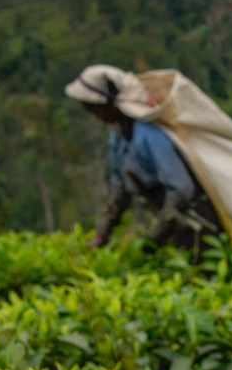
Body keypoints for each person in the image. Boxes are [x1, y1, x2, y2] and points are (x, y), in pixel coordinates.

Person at [66, 66, 218, 251]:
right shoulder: (118, 139)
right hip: (171, 223)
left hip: (197, 223)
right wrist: (103, 231)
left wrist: (154, 237)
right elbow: (120, 190)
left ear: (111, 104)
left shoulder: (149, 134)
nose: (96, 116)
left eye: (96, 109)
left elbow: (181, 189)